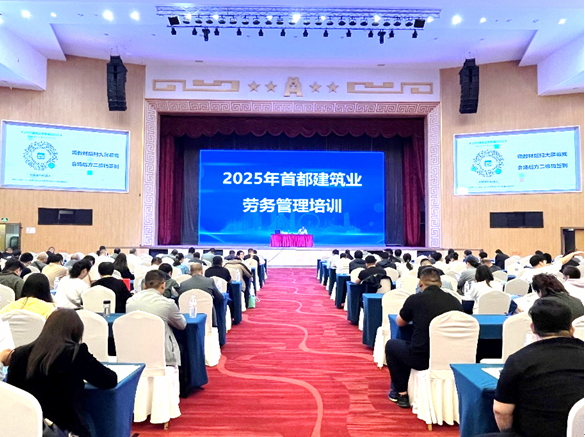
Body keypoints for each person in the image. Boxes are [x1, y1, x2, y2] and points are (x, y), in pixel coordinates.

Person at [7, 309, 117, 436]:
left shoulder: (19, 354)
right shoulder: (76, 354)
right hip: (65, 429)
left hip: (26, 428)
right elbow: (109, 380)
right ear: (76, 332)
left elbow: (13, 394)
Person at [492, 298, 584, 437]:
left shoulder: (519, 360)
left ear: (533, 328)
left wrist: (509, 433)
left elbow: (501, 411)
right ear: (571, 327)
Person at [385, 268, 463, 408]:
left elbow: (400, 322)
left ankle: (401, 394)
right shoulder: (454, 301)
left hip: (421, 359)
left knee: (391, 346)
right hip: (453, 358)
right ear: (440, 283)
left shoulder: (415, 300)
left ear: (420, 283)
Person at [126, 270, 186, 366]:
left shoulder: (130, 302)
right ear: (163, 285)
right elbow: (181, 325)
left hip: (135, 351)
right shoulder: (168, 304)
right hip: (162, 353)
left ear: (144, 285)